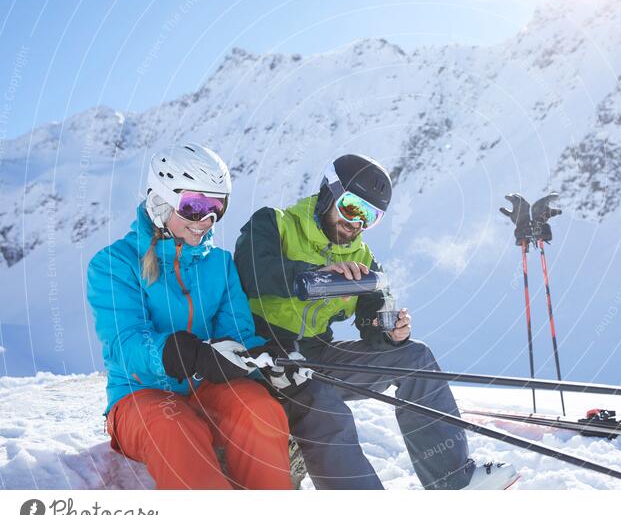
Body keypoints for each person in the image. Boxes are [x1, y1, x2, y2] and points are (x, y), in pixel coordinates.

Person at [234, 153, 519, 490]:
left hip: (316, 353)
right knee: (322, 398)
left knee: (415, 359)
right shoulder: (275, 223)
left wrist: (389, 332)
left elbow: (373, 320)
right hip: (263, 354)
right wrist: (312, 278)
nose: (357, 223)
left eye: (371, 216)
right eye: (352, 207)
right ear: (329, 192)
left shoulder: (363, 259)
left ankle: (453, 481)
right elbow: (251, 270)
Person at [87, 143, 292, 490]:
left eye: (217, 208)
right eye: (195, 207)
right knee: (176, 428)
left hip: (206, 390)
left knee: (260, 411)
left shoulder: (220, 264)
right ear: (160, 203)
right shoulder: (114, 264)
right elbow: (125, 343)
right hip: (140, 395)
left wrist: (266, 359)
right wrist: (178, 352)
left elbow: (237, 333)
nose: (207, 221)